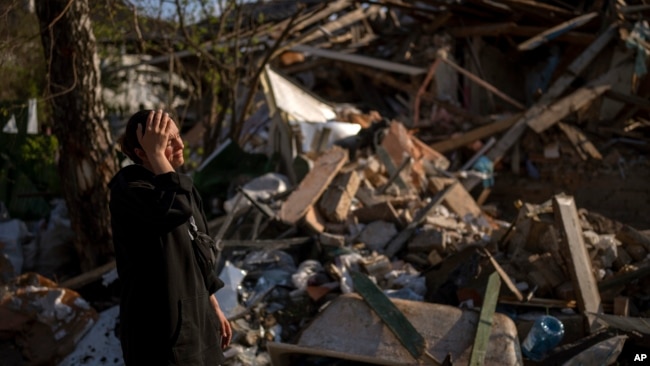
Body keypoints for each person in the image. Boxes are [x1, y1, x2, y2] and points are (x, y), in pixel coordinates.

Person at [108, 109, 232, 365]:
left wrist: (214, 307)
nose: (180, 144)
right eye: (167, 141)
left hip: (197, 320)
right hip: (160, 332)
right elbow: (175, 207)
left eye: (178, 136)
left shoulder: (181, 187)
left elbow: (198, 251)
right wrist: (156, 154)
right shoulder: (130, 192)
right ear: (142, 152)